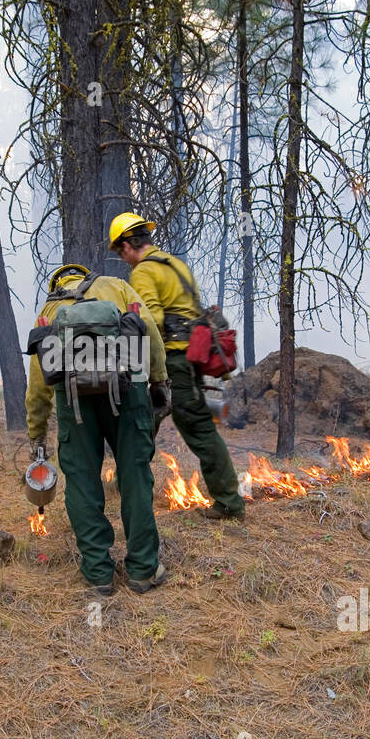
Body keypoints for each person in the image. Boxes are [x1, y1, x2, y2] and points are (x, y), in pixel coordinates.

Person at [25, 263, 171, 595]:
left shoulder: (50, 309)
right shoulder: (116, 287)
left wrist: (36, 432)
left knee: (82, 482)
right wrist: (159, 380)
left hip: (73, 400)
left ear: (58, 284)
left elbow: (37, 384)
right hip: (127, 386)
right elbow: (148, 329)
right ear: (87, 276)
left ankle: (98, 573)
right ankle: (143, 570)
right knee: (134, 475)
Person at [109, 212, 245, 521]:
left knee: (192, 427)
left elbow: (150, 322)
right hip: (189, 358)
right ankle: (125, 484)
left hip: (172, 362)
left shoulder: (144, 273)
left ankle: (229, 501)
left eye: (121, 250)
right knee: (147, 423)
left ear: (131, 244)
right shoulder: (175, 264)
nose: (123, 258)